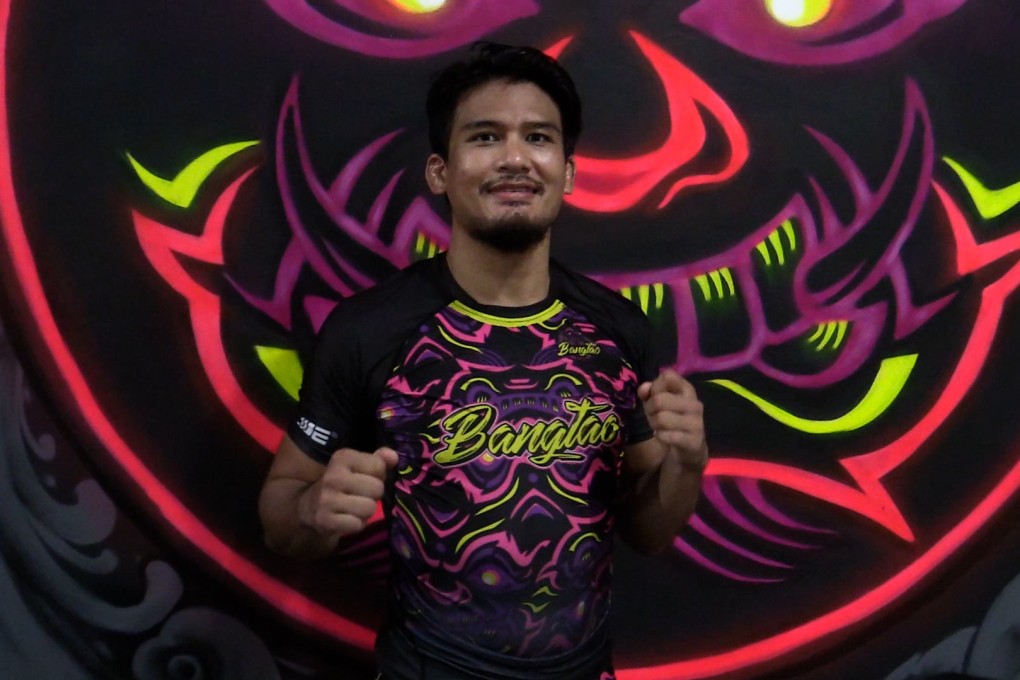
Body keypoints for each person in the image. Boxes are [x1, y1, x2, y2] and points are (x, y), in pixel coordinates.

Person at [258, 42, 708, 680]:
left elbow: (647, 531)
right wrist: (312, 510)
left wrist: (686, 466)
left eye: (539, 138)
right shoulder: (370, 329)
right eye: (486, 137)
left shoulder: (616, 329)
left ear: (569, 171)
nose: (516, 159)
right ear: (440, 171)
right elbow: (279, 513)